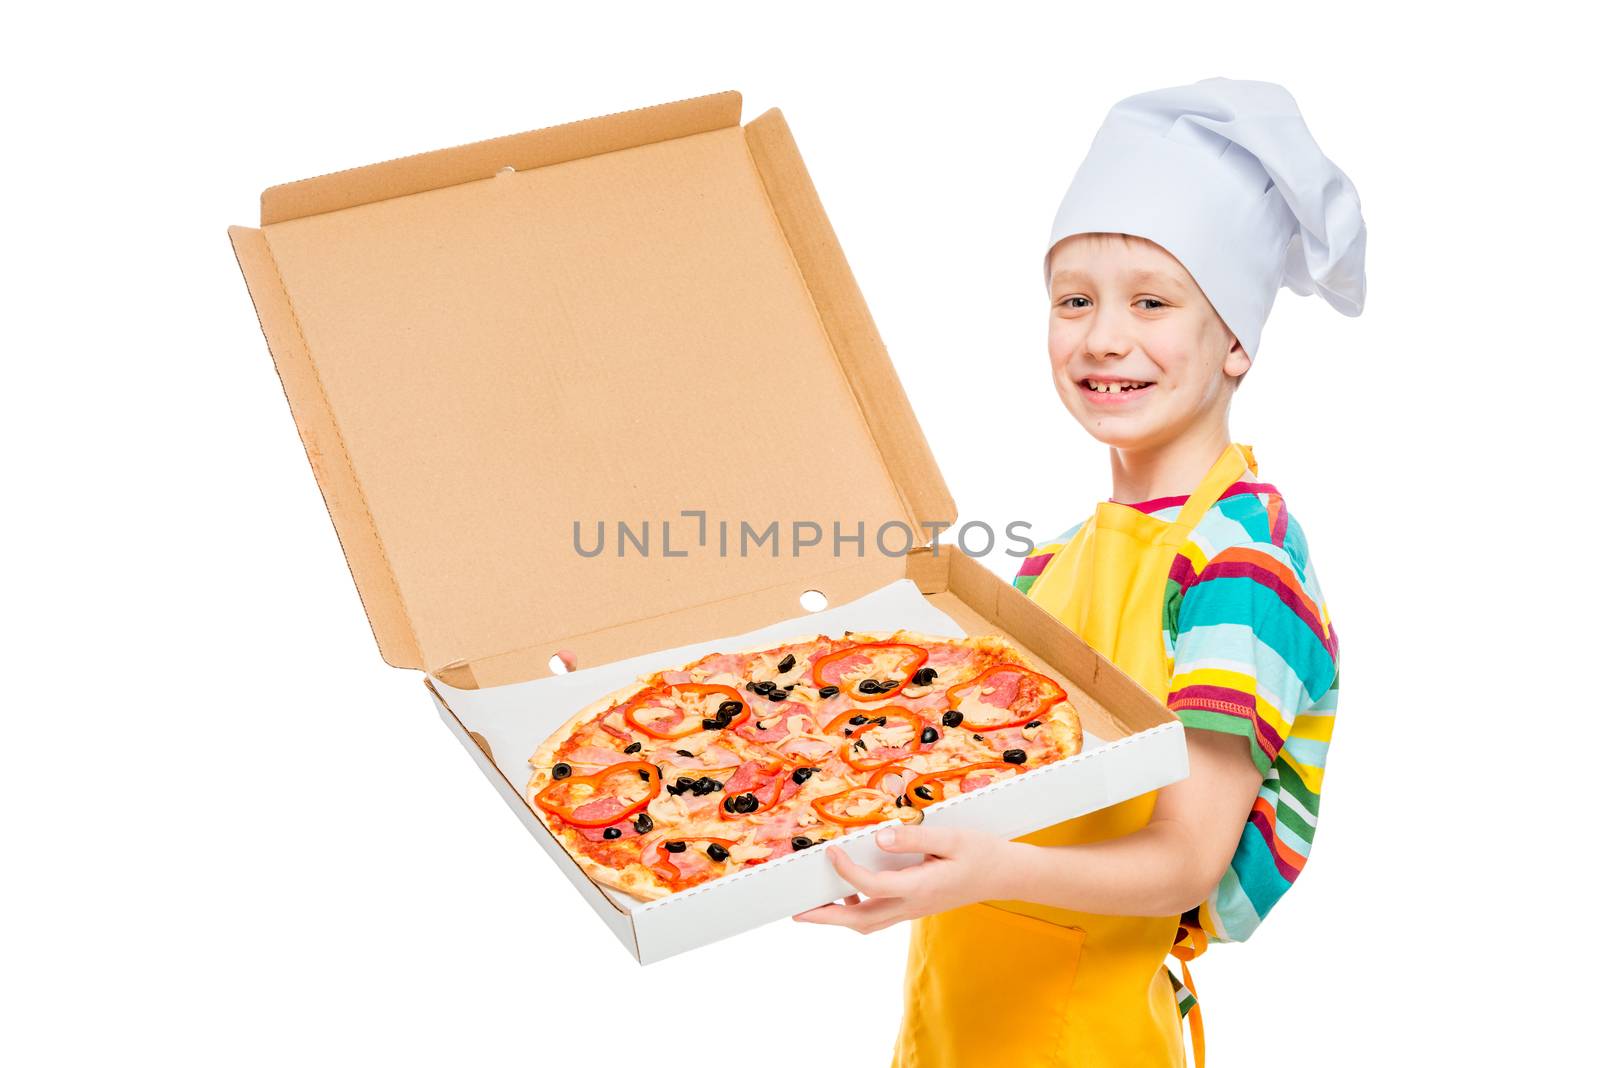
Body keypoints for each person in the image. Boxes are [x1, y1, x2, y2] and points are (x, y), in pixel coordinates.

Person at [792, 77, 1359, 1066]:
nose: (1103, 336)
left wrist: (979, 870)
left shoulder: (1240, 565)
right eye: (1074, 300)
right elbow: (915, 764)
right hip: (949, 1035)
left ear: (1234, 340)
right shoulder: (1048, 565)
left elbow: (1186, 861)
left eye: (1151, 301)